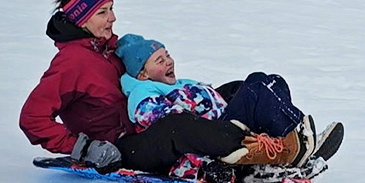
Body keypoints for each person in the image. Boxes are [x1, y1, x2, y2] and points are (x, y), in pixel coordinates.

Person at [19, 0, 325, 175]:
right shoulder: (72, 63)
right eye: (103, 12)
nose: (113, 18)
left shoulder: (109, 49)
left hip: (147, 124)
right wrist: (83, 148)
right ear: (81, 20)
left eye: (111, 9)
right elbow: (32, 118)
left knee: (241, 88)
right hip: (125, 147)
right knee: (179, 125)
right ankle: (254, 154)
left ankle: (291, 141)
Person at [115, 33, 344, 156]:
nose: (169, 61)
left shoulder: (175, 83)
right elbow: (157, 120)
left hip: (221, 121)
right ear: (143, 74)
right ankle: (297, 138)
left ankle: (295, 138)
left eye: (168, 55)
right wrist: (190, 104)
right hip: (214, 131)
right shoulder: (142, 91)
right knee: (257, 89)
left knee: (269, 81)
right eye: (159, 60)